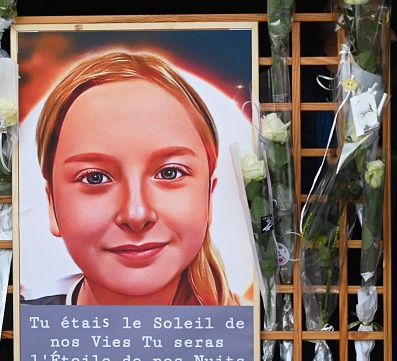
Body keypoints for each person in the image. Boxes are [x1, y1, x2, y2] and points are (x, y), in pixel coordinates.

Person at [23, 51, 241, 306]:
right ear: (52, 205)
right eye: (94, 178)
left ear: (209, 197)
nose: (136, 214)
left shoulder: (255, 335)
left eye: (170, 173)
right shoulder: (19, 333)